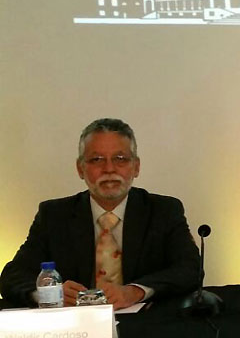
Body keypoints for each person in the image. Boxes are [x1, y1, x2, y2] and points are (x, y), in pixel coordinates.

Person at [0, 118, 201, 309]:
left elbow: (190, 269)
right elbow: (12, 276)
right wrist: (50, 293)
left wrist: (135, 291)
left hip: (144, 324)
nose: (109, 169)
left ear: (136, 167)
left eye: (120, 159)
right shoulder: (54, 215)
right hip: (75, 326)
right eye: (96, 160)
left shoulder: (163, 210)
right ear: (80, 169)